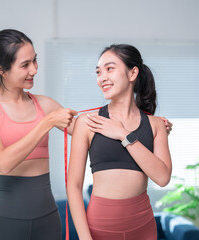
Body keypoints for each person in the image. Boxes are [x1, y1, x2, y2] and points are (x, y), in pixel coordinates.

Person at [0, 29, 78, 240]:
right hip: (4, 222)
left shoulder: (45, 104)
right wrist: (46, 122)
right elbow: (3, 162)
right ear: (1, 70)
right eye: (25, 65)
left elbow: (88, 134)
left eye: (35, 61)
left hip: (48, 221)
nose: (34, 70)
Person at [67, 44, 172, 240]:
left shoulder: (157, 125)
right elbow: (73, 186)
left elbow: (163, 177)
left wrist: (124, 134)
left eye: (110, 69)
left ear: (132, 74)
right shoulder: (87, 123)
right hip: (100, 226)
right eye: (98, 72)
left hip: (143, 226)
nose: (102, 78)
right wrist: (84, 238)